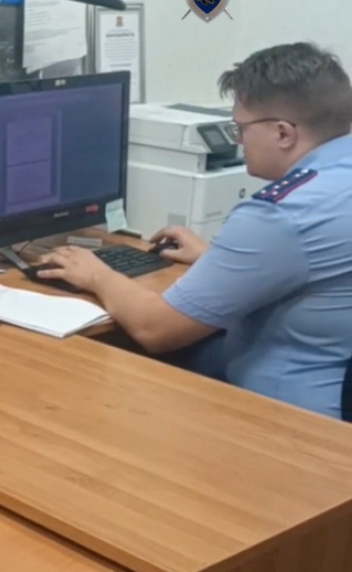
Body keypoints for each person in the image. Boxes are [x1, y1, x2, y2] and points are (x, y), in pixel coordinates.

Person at [40, 42, 352, 418]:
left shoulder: (281, 215)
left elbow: (155, 330)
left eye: (240, 129)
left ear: (284, 134)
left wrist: (96, 274)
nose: (238, 141)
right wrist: (216, 259)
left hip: (289, 423)